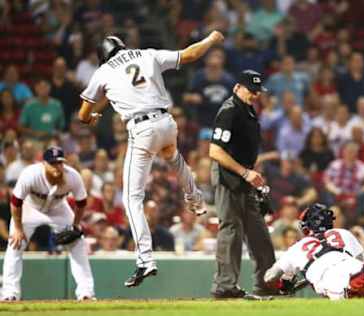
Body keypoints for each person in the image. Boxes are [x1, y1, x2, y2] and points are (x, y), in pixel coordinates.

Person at [78, 32, 224, 287]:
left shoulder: (103, 71)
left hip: (141, 128)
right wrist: (211, 39)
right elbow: (189, 54)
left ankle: (145, 260)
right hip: (166, 121)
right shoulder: (147, 54)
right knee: (173, 156)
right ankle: (196, 200)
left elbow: (83, 113)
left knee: (131, 198)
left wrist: (91, 118)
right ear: (123, 47)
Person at [209, 69, 277, 298]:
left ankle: (268, 282)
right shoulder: (229, 111)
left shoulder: (247, 109)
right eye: (251, 90)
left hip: (244, 177)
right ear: (237, 87)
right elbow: (215, 151)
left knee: (258, 232)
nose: (255, 95)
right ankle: (225, 286)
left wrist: (251, 174)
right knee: (231, 230)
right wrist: (245, 173)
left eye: (257, 91)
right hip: (228, 178)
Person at [1, 146, 95, 301]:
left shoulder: (72, 176)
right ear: (43, 163)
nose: (57, 167)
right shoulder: (31, 174)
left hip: (58, 209)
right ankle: (10, 293)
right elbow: (16, 202)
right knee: (15, 244)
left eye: (60, 163)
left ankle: (86, 293)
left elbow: (81, 202)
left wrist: (76, 225)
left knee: (78, 243)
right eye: (53, 163)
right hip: (29, 209)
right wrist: (17, 228)